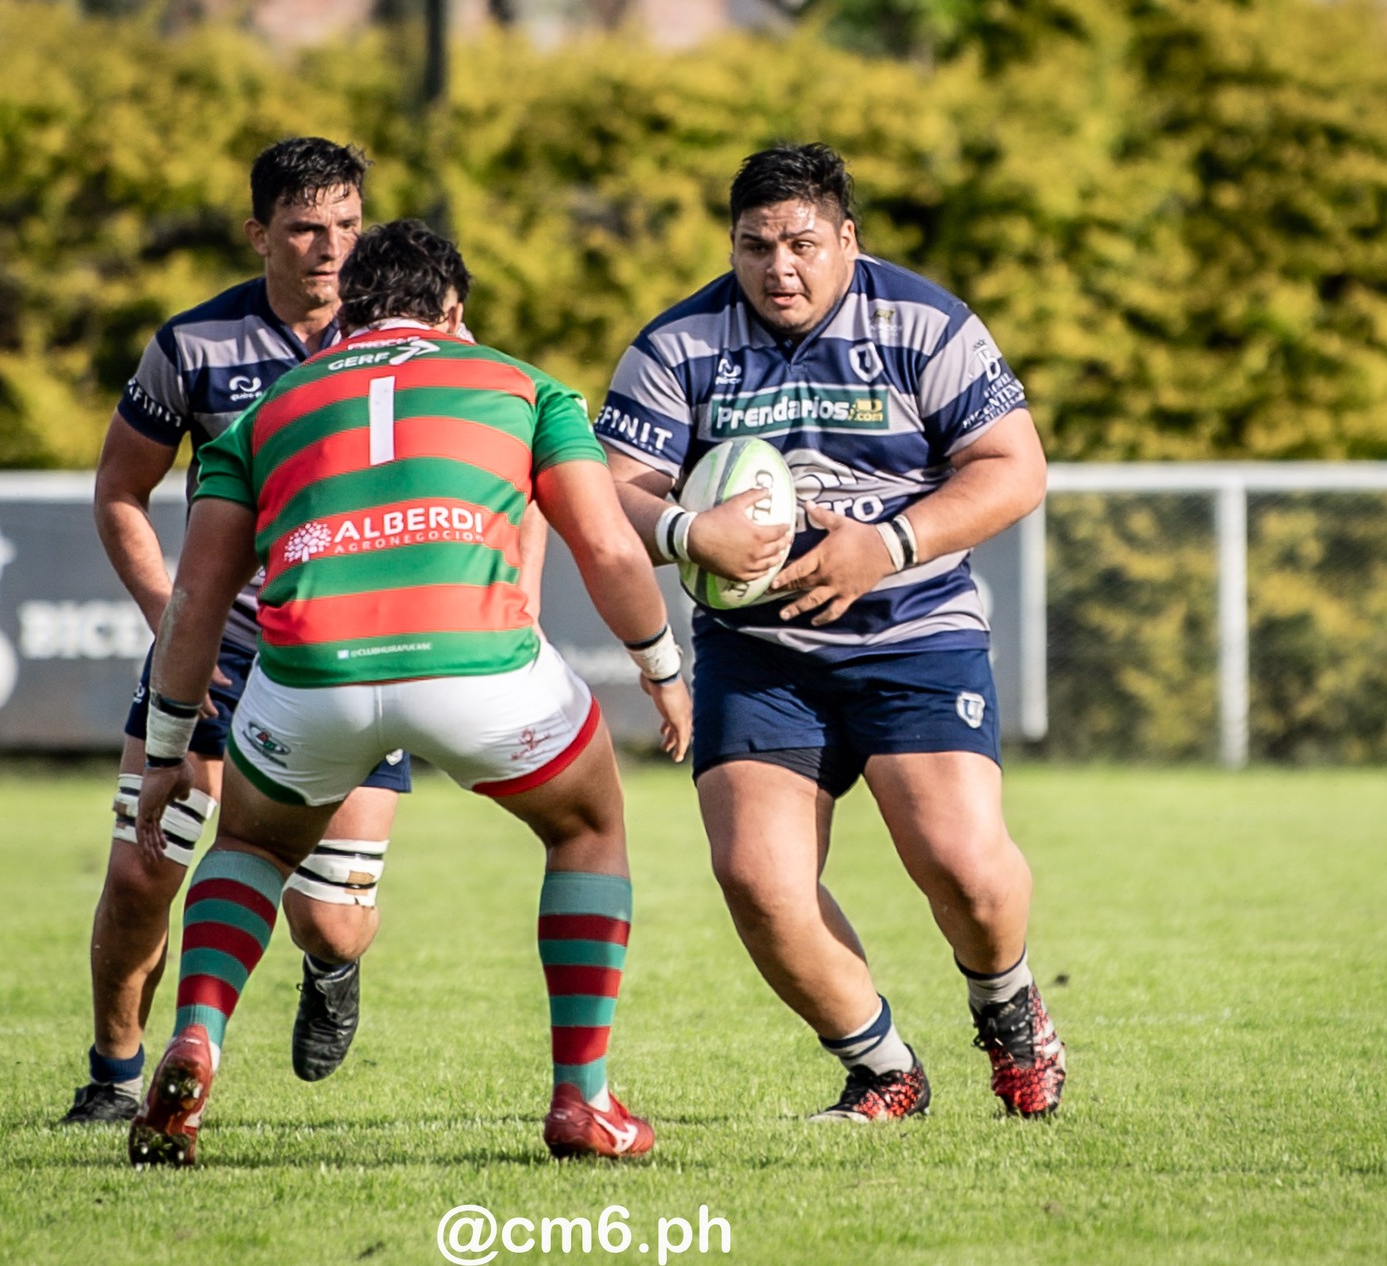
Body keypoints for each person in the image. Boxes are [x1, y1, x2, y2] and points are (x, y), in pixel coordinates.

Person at [124, 219, 691, 1167]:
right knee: (587, 825)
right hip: (480, 669)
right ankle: (582, 1101)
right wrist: (661, 666)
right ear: (454, 311)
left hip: (309, 678)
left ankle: (195, 1040)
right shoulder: (526, 386)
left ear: (348, 310)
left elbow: (197, 598)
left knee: (252, 844)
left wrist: (173, 740)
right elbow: (607, 547)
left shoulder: (268, 409)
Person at [595, 143, 1065, 1121]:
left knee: (962, 869)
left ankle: (1006, 1003)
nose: (779, 268)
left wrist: (887, 544)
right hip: (759, 652)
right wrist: (685, 529)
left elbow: (1013, 467)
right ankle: (883, 1069)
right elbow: (612, 490)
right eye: (754, 245)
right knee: (757, 881)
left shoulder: (921, 322)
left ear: (845, 238)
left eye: (802, 243)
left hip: (913, 630)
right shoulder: (679, 344)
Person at [63, 138, 427, 1124]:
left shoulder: (403, 341)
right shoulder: (194, 344)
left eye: (348, 226)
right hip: (217, 655)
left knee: (330, 921)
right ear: (258, 231)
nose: (332, 248)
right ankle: (113, 1075)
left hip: (356, 654)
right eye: (307, 227)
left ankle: (330, 971)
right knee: (146, 866)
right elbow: (120, 494)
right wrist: (172, 619)